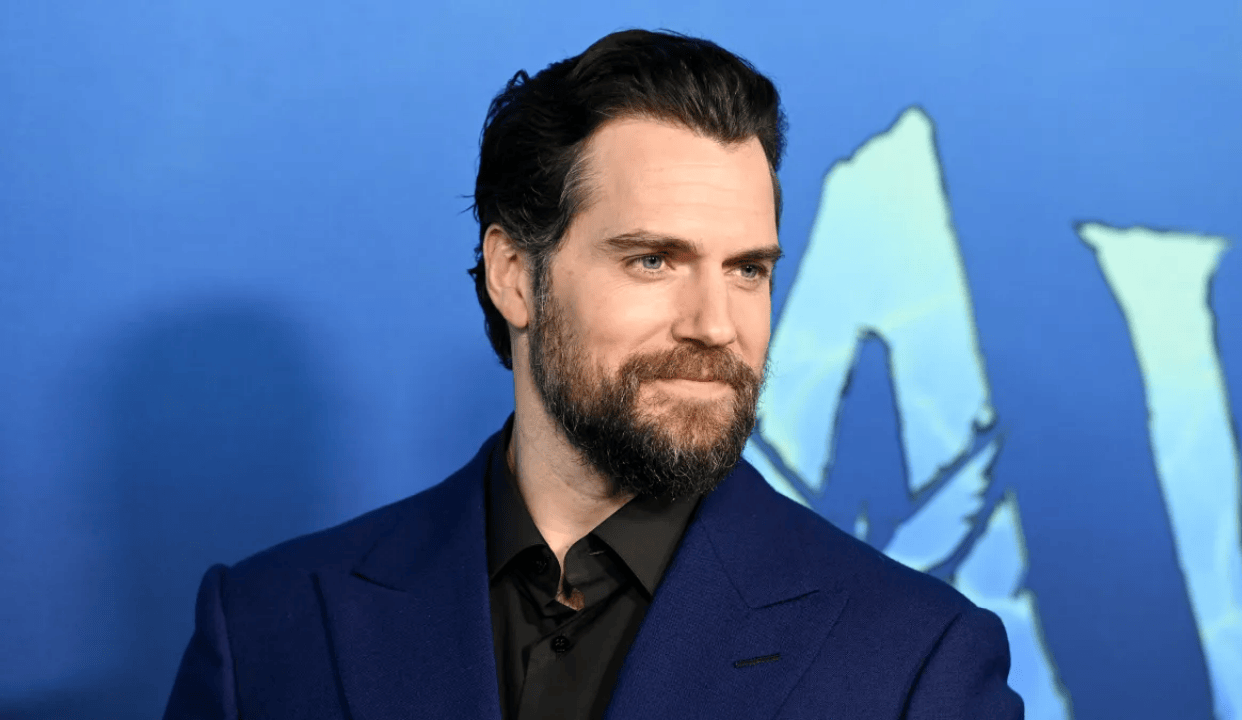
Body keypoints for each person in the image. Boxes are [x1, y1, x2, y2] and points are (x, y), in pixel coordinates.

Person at [164, 28, 1024, 720]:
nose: (715, 325)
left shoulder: (915, 664)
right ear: (513, 275)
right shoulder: (267, 626)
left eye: (747, 269)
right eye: (653, 260)